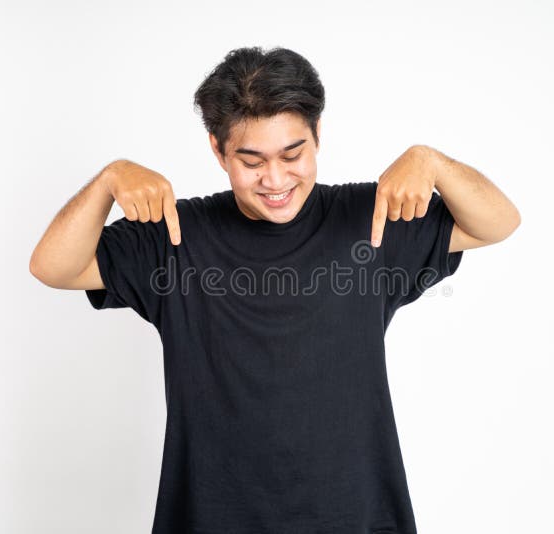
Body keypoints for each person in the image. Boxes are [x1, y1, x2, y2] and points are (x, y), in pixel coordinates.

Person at [29, 46, 520, 534]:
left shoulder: (369, 221)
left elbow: (496, 223)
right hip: (211, 519)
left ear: (318, 136)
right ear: (218, 151)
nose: (277, 179)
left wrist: (430, 162)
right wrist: (109, 180)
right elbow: (53, 266)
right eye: (252, 160)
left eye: (293, 154)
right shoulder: (175, 236)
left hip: (357, 518)